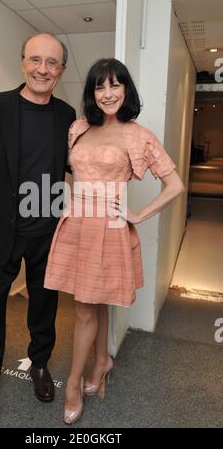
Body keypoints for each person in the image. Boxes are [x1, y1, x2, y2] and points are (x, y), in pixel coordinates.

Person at [44, 58, 185, 424]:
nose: (107, 94)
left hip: (108, 228)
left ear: (126, 89)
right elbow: (76, 175)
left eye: (114, 85)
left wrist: (137, 216)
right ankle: (102, 360)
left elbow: (175, 185)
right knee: (94, 299)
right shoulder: (78, 128)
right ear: (93, 93)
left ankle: (73, 384)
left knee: (86, 307)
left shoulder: (138, 135)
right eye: (99, 87)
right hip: (76, 224)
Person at [0, 33, 76, 428]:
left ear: (61, 70)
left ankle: (40, 364)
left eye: (52, 62)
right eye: (36, 60)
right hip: (0, 231)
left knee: (44, 306)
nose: (43, 69)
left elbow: (78, 164)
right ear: (23, 61)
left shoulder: (66, 115)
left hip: (48, 230)